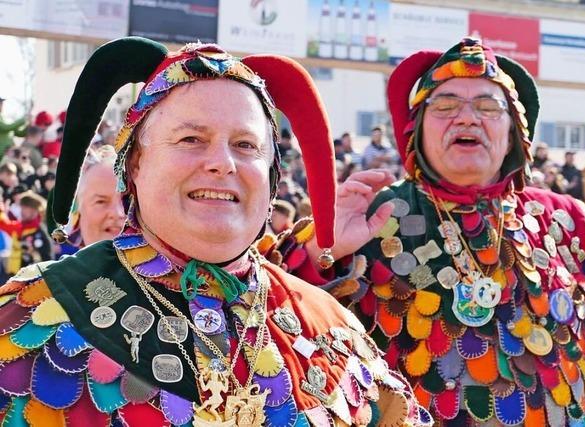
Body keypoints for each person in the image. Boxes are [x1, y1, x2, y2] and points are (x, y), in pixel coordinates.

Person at [0, 37, 430, 426]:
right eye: (191, 139)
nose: (222, 163)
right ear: (134, 166)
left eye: (245, 145)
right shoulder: (26, 316)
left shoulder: (338, 333)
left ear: (271, 177)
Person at [271, 38, 585, 425]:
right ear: (417, 130)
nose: (466, 118)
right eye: (445, 106)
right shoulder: (370, 217)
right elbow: (267, 331)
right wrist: (322, 251)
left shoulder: (566, 219)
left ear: (515, 132)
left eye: (487, 107)